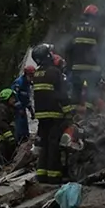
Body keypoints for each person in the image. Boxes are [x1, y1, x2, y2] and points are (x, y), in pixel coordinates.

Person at [31, 44, 69, 184]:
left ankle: (41, 174)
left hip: (42, 116)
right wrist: (69, 112)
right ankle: (54, 176)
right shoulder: (54, 72)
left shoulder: (36, 73)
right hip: (55, 115)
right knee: (54, 145)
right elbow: (62, 95)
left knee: (44, 144)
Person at [67, 4, 102, 109]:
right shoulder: (97, 29)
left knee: (76, 92)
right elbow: (102, 49)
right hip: (92, 68)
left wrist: (69, 65)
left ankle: (73, 117)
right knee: (91, 94)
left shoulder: (75, 27)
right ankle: (89, 118)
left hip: (77, 68)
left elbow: (68, 48)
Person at [11, 65, 35, 144]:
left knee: (25, 127)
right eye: (31, 76)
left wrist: (31, 110)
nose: (32, 78)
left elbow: (26, 98)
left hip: (23, 108)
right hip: (16, 109)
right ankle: (18, 141)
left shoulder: (27, 84)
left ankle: (25, 139)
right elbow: (14, 95)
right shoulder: (19, 82)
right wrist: (19, 107)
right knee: (19, 125)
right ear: (26, 74)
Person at [0, 88, 18, 163]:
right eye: (12, 98)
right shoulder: (1, 109)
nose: (14, 100)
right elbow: (2, 124)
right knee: (3, 159)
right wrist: (10, 137)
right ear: (7, 98)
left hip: (5, 139)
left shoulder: (7, 109)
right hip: (1, 140)